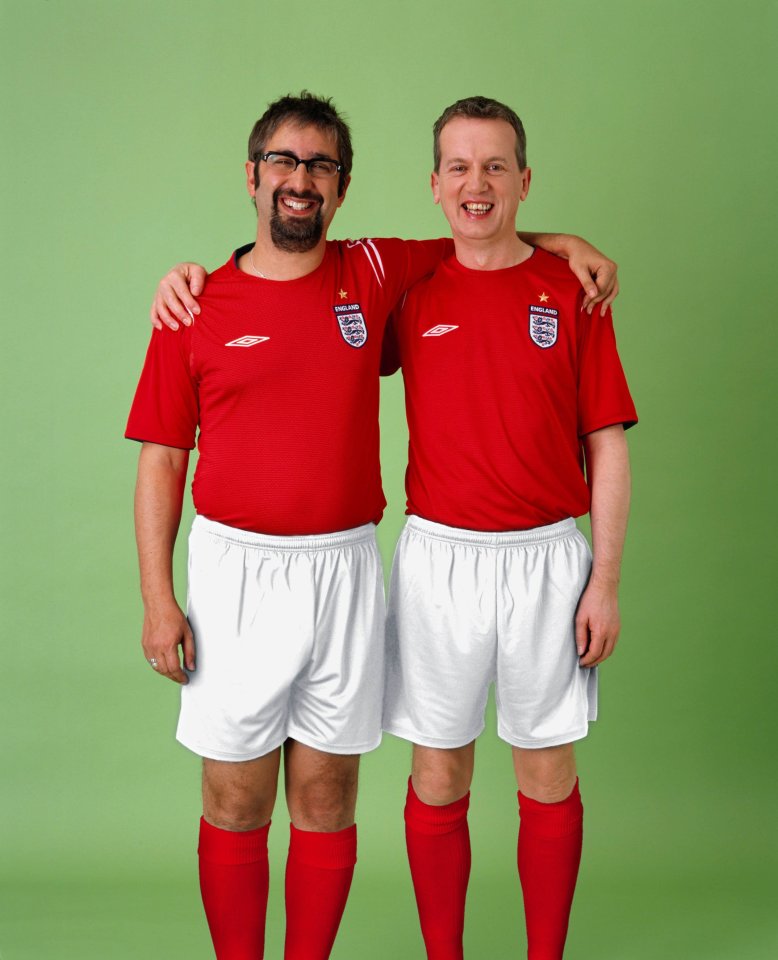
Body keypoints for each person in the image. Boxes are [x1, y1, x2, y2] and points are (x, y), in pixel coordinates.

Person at [135, 91, 620, 960]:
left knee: (328, 799)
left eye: (319, 166)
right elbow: (163, 459)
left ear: (343, 187)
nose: (300, 180)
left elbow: (483, 236)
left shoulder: (374, 273)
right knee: (238, 798)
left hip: (353, 567)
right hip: (242, 573)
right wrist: (155, 597)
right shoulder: (198, 304)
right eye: (284, 162)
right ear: (252, 176)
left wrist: (567, 241)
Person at [379, 97, 637, 960]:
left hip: (546, 563)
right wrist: (196, 273)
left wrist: (604, 579)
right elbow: (301, 281)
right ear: (434, 185)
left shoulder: (572, 291)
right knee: (438, 774)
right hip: (437, 561)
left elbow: (607, 444)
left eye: (495, 166)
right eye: (458, 166)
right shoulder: (409, 289)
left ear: (525, 182)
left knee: (546, 773)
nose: (476, 183)